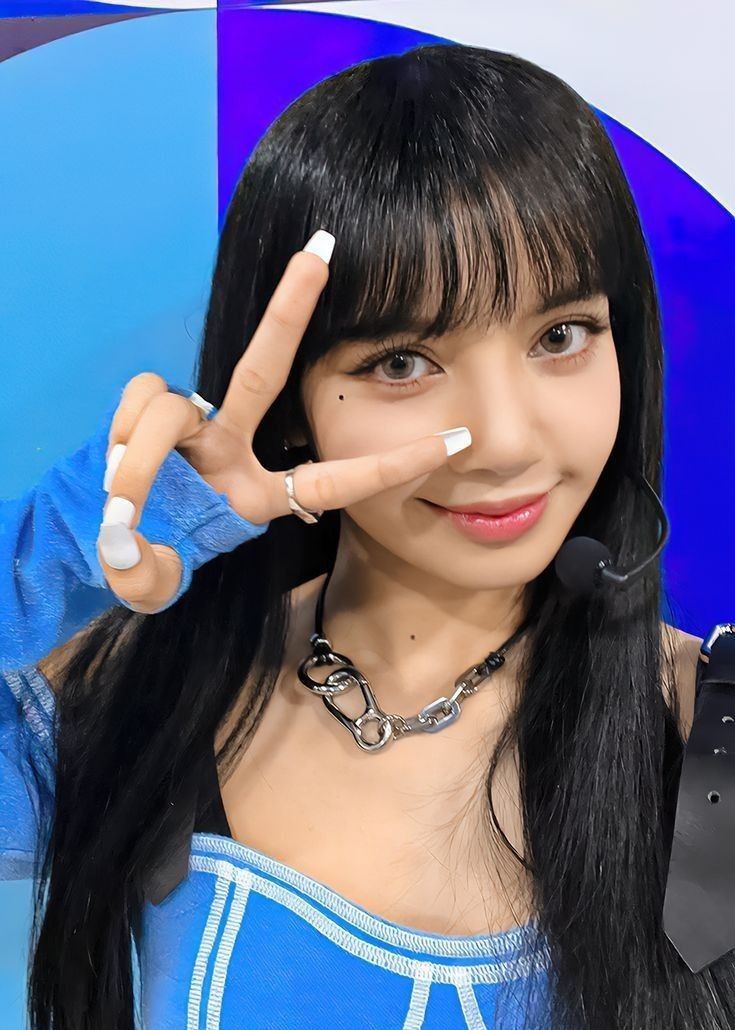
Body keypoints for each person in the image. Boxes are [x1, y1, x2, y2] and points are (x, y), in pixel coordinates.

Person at [0, 42, 718, 1030]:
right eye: (402, 361)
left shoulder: (707, 729)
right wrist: (75, 539)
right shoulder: (136, 699)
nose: (506, 442)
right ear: (294, 402)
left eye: (560, 336)